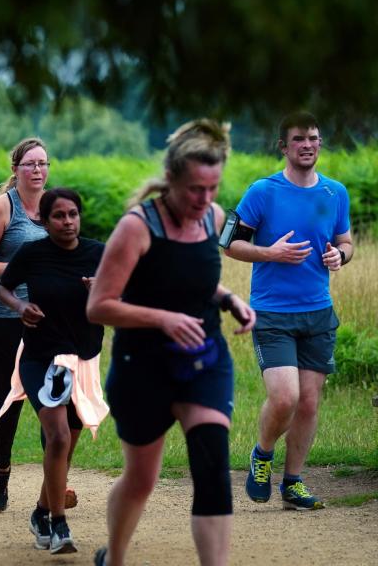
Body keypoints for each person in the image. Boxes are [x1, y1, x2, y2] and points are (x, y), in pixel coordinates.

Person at [86, 120, 256, 566]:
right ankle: (115, 556)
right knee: (142, 479)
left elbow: (192, 280)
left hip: (203, 360)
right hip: (142, 367)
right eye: (195, 189)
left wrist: (229, 298)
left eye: (213, 188)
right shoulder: (136, 228)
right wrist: (161, 319)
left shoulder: (215, 219)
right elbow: (99, 306)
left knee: (212, 467)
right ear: (172, 179)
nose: (205, 200)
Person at [225, 111, 353, 511]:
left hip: (318, 313)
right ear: (284, 146)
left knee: (310, 403)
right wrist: (271, 253)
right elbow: (228, 242)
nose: (308, 145)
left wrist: (339, 256)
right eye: (299, 139)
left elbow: (346, 242)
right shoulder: (263, 191)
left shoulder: (335, 193)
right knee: (285, 398)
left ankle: (293, 482)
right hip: (273, 313)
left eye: (314, 138)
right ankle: (262, 455)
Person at [0, 188, 107, 555]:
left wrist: (101, 291)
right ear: (44, 220)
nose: (68, 221)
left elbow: (123, 297)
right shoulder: (33, 253)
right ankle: (59, 524)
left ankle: (42, 511)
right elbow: (3, 288)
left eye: (73, 214)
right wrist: (20, 306)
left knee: (68, 443)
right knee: (57, 436)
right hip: (40, 356)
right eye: (59, 215)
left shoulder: (97, 253)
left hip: (83, 359)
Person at [0, 137, 49, 511]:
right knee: (10, 397)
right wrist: (24, 268)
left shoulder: (54, 208)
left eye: (43, 164)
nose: (37, 170)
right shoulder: (4, 208)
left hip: (47, 317)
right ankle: (1, 469)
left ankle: (55, 481)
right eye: (30, 164)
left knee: (51, 398)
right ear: (16, 169)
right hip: (3, 318)